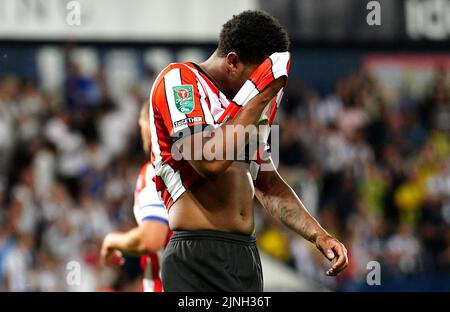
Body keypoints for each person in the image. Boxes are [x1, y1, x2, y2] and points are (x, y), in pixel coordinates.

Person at [149, 10, 348, 291]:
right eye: (258, 79)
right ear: (232, 61)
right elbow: (209, 163)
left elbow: (266, 183)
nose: (265, 90)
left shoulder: (244, 109)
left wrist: (319, 236)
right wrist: (261, 94)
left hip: (245, 256)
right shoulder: (179, 81)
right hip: (198, 255)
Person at [101, 102, 170, 292]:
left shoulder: (155, 172)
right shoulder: (210, 168)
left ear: (148, 126)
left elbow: (151, 239)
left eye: (141, 126)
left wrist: (112, 241)